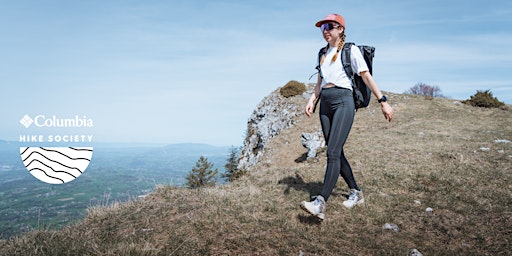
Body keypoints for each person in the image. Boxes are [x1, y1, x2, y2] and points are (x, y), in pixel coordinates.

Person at [300, 13, 394, 220]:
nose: (325, 30)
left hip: (344, 101)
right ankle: (355, 191)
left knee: (332, 152)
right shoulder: (322, 53)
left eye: (330, 26)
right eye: (323, 27)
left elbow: (366, 76)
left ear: (340, 28)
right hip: (325, 103)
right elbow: (319, 83)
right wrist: (311, 100)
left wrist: (383, 101)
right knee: (336, 151)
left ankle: (321, 202)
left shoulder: (351, 50)